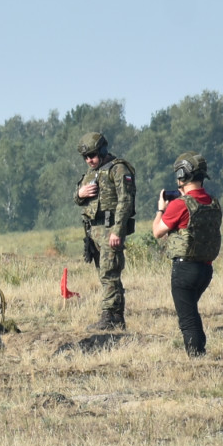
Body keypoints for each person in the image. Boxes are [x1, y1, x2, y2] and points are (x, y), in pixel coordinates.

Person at [151, 152, 222, 357]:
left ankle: (196, 356)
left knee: (187, 318)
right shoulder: (213, 202)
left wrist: (160, 210)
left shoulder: (179, 205)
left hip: (184, 269)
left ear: (182, 175)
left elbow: (157, 232)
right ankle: (199, 352)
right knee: (191, 311)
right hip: (205, 269)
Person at [74, 131, 136, 331]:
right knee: (105, 274)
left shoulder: (118, 169)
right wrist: (80, 193)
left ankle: (109, 316)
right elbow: (78, 198)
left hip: (110, 228)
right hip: (94, 232)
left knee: (110, 273)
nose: (89, 160)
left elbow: (125, 201)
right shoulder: (92, 173)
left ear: (102, 150)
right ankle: (116, 318)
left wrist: (117, 230)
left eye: (92, 155)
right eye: (85, 157)